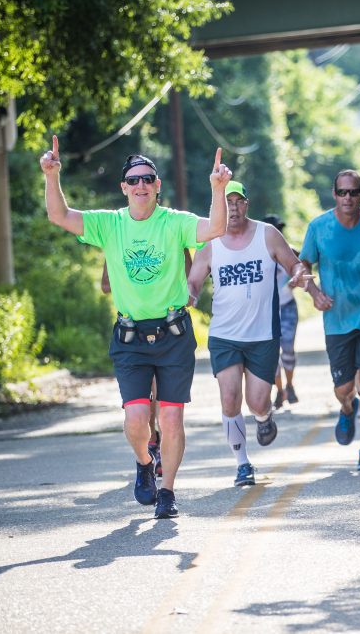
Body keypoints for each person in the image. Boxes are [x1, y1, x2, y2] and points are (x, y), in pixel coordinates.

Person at [41, 137, 230, 518]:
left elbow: (216, 228)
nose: (141, 185)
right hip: (130, 338)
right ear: (124, 188)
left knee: (172, 417)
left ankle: (168, 492)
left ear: (157, 185)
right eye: (134, 180)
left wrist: (218, 188)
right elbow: (60, 216)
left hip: (174, 334)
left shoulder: (173, 222)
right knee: (136, 418)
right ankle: (145, 462)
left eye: (147, 179)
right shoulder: (109, 224)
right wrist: (51, 175)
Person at [187, 183, 307, 486]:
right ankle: (242, 463)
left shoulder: (267, 234)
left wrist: (298, 274)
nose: (233, 208)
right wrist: (189, 296)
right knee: (229, 399)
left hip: (262, 335)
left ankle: (264, 417)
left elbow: (293, 263)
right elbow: (194, 282)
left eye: (238, 201)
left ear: (246, 204)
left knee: (257, 403)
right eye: (227, 202)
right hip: (224, 335)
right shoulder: (210, 243)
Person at [300, 170, 360, 470]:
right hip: (337, 319)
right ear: (334, 194)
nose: (347, 198)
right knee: (343, 388)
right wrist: (314, 293)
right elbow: (303, 265)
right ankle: (348, 408)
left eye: (353, 192)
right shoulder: (319, 227)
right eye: (342, 192)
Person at [101, 243, 192, 478]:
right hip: (134, 330)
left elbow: (190, 285)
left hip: (168, 330)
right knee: (143, 400)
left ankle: (158, 446)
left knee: (164, 401)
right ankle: (150, 446)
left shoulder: (172, 236)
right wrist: (134, 283)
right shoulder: (119, 242)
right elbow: (105, 285)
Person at [261, 214, 300, 409]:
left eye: (279, 229)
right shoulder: (257, 253)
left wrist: (296, 280)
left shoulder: (290, 251)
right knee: (272, 352)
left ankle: (290, 385)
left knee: (288, 348)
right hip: (267, 309)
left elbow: (303, 266)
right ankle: (279, 390)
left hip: (287, 306)